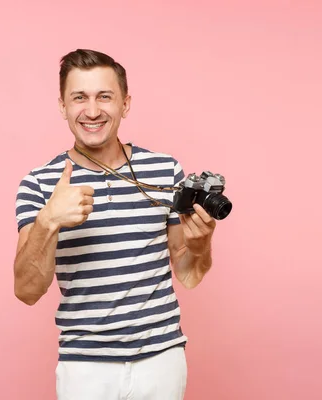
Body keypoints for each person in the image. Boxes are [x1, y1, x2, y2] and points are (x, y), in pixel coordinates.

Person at [13, 48, 217, 400]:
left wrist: (200, 245)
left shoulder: (166, 170)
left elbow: (188, 274)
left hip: (162, 360)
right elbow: (27, 291)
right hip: (85, 368)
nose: (92, 111)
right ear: (63, 106)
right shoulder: (39, 183)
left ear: (125, 104)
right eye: (79, 97)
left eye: (104, 96)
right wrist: (49, 220)